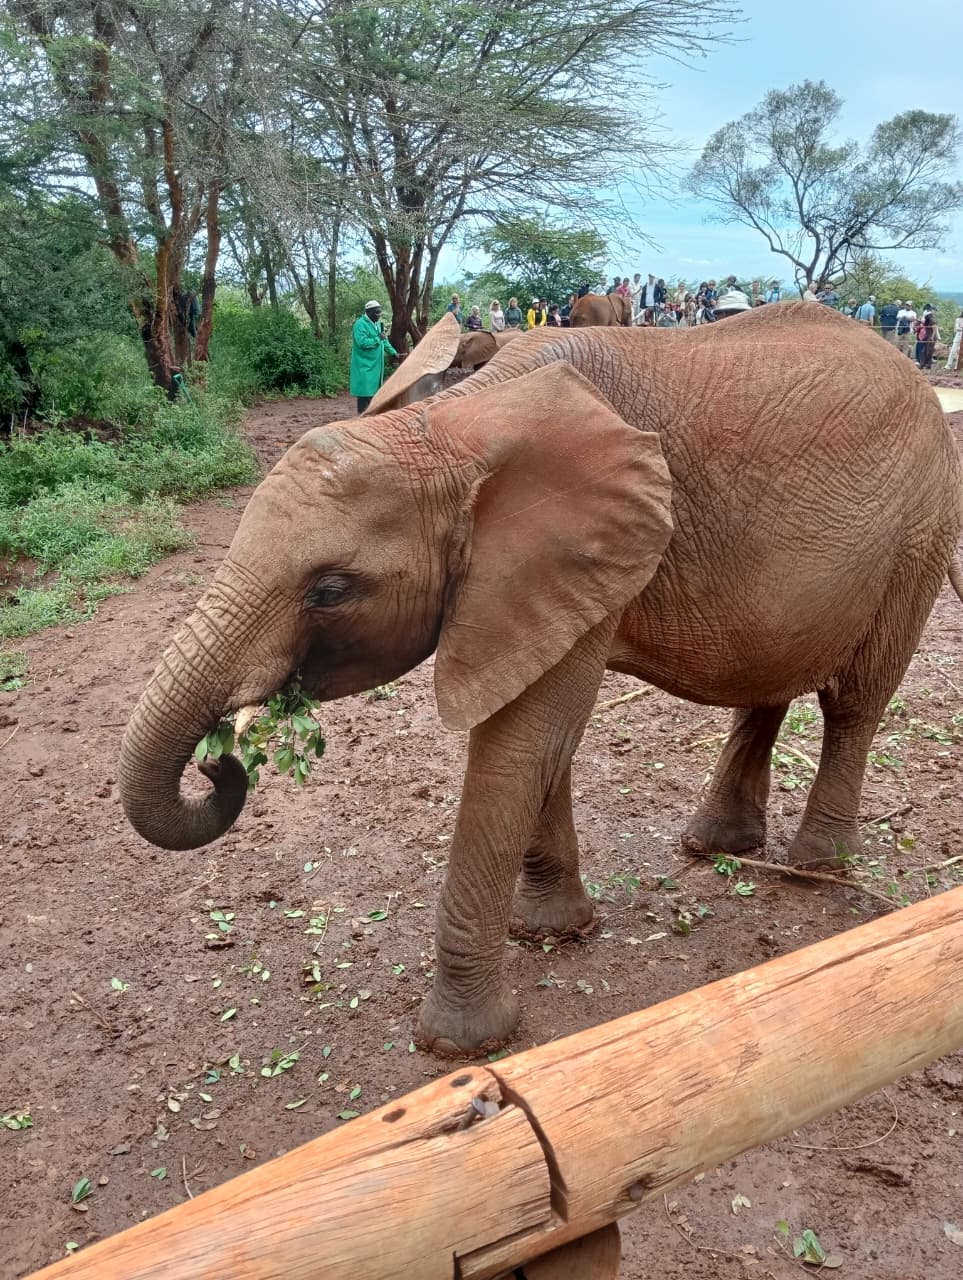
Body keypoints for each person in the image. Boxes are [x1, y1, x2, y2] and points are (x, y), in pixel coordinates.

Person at [349, 300, 398, 414]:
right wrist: (378, 338)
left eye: (380, 312)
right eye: (376, 313)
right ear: (368, 312)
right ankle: (362, 418)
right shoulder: (360, 324)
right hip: (364, 365)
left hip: (376, 366)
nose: (379, 315)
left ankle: (370, 418)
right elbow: (362, 342)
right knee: (364, 393)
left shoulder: (377, 324)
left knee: (374, 393)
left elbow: (384, 341)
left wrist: (393, 352)